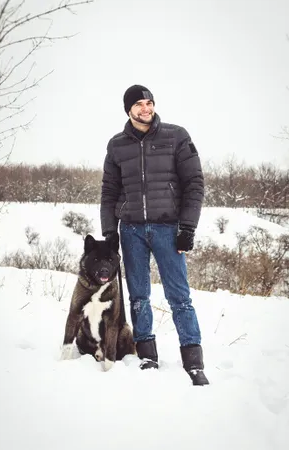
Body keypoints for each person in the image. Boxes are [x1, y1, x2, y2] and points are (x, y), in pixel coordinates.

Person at [100, 84, 209, 385]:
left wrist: (187, 227)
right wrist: (110, 231)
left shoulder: (176, 136)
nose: (146, 108)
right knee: (138, 296)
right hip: (131, 229)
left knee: (179, 296)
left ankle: (193, 361)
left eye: (149, 102)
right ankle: (147, 355)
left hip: (167, 227)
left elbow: (195, 183)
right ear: (128, 110)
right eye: (139, 104)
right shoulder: (117, 145)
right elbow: (109, 192)